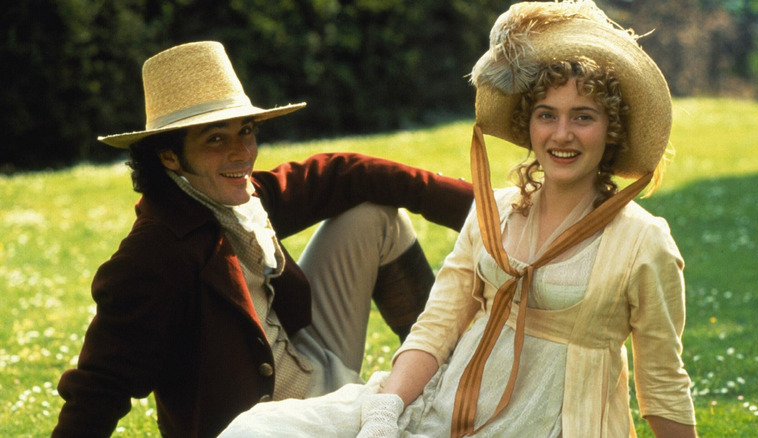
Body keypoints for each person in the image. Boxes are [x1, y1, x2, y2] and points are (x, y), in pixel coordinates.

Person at [218, 1, 697, 437]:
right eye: (547, 115)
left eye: (583, 116)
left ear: (611, 129)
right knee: (259, 431)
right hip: (441, 408)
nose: (562, 134)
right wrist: (386, 410)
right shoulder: (497, 212)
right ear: (529, 127)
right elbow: (438, 326)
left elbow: (662, 384)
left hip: (552, 425)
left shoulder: (643, 241)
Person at [51, 41, 474, 437]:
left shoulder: (242, 197)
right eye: (216, 138)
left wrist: (484, 211)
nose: (241, 152)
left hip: (309, 366)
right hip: (264, 423)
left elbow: (347, 173)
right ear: (169, 156)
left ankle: (442, 377)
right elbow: (100, 384)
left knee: (372, 214)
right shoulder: (152, 256)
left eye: (246, 130)